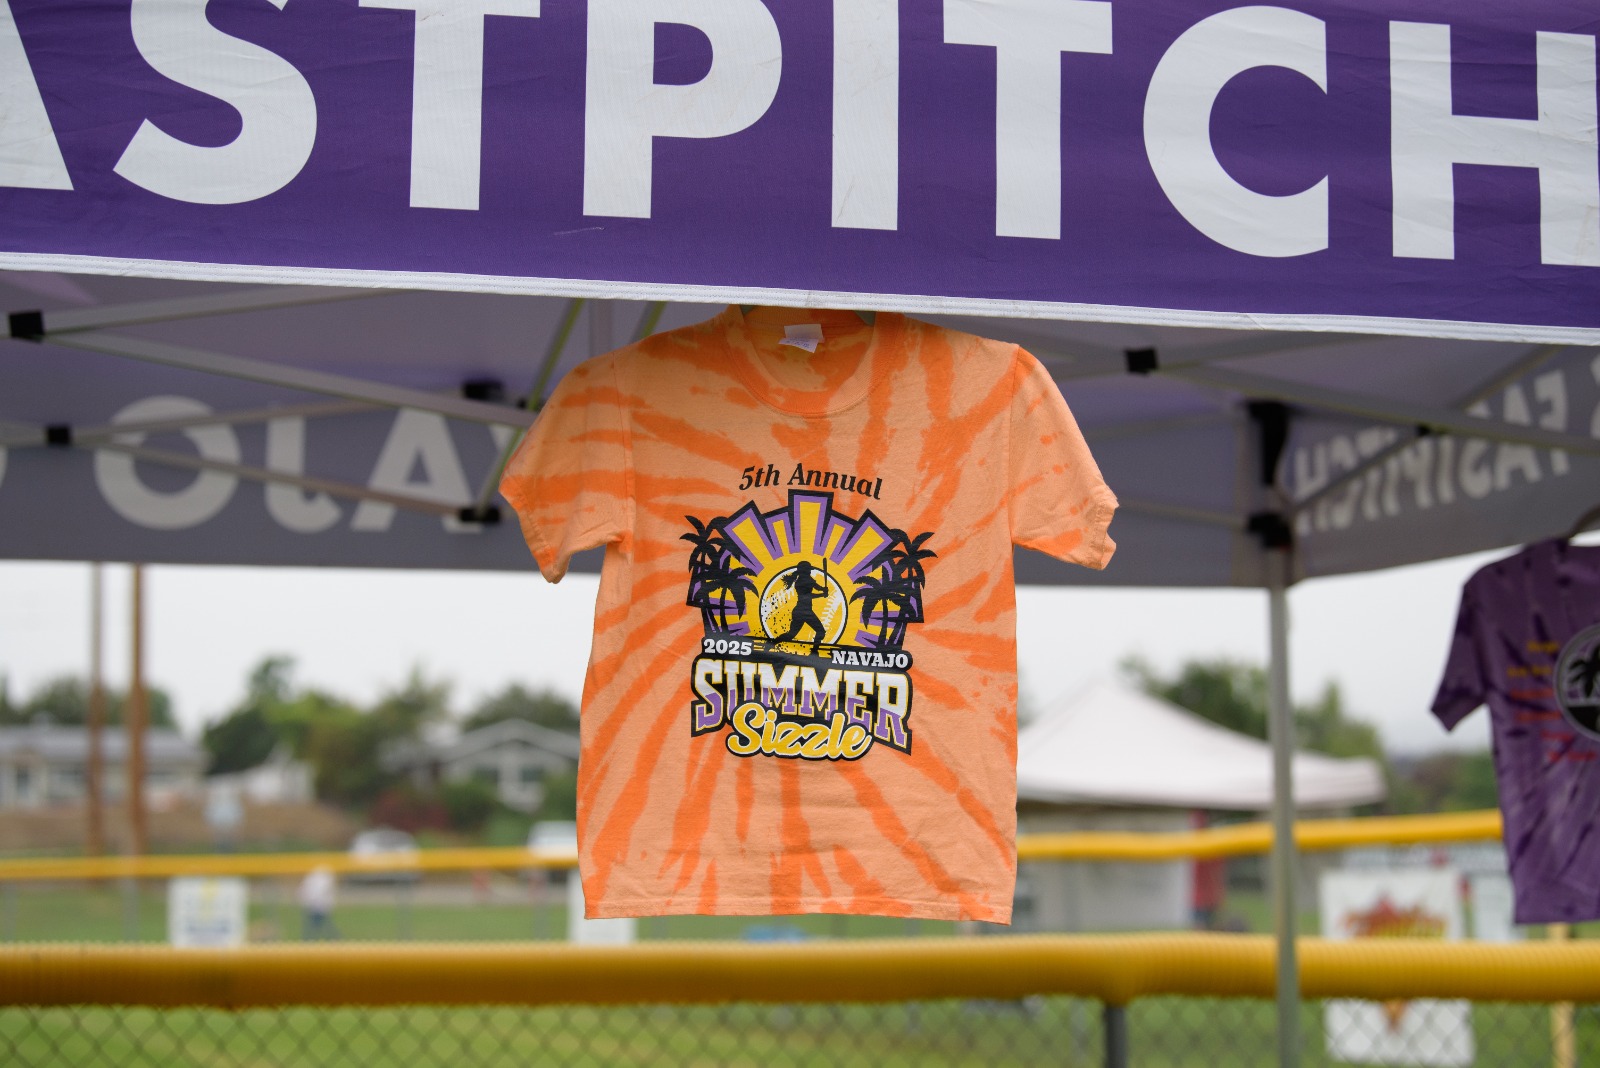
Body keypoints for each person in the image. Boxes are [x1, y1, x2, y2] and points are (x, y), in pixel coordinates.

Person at [774, 560, 828, 651]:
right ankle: (814, 652)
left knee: (791, 635)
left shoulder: (806, 579)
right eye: (809, 570)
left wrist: (823, 589)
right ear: (806, 571)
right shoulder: (803, 581)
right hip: (804, 611)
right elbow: (807, 596)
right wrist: (822, 594)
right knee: (820, 631)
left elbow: (816, 587)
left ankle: (773, 642)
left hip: (801, 611)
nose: (810, 571)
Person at [298, 865, 339, 940]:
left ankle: (334, 938)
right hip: (316, 907)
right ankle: (334, 938)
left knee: (317, 926)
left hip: (318, 907)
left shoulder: (320, 878)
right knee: (318, 925)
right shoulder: (316, 878)